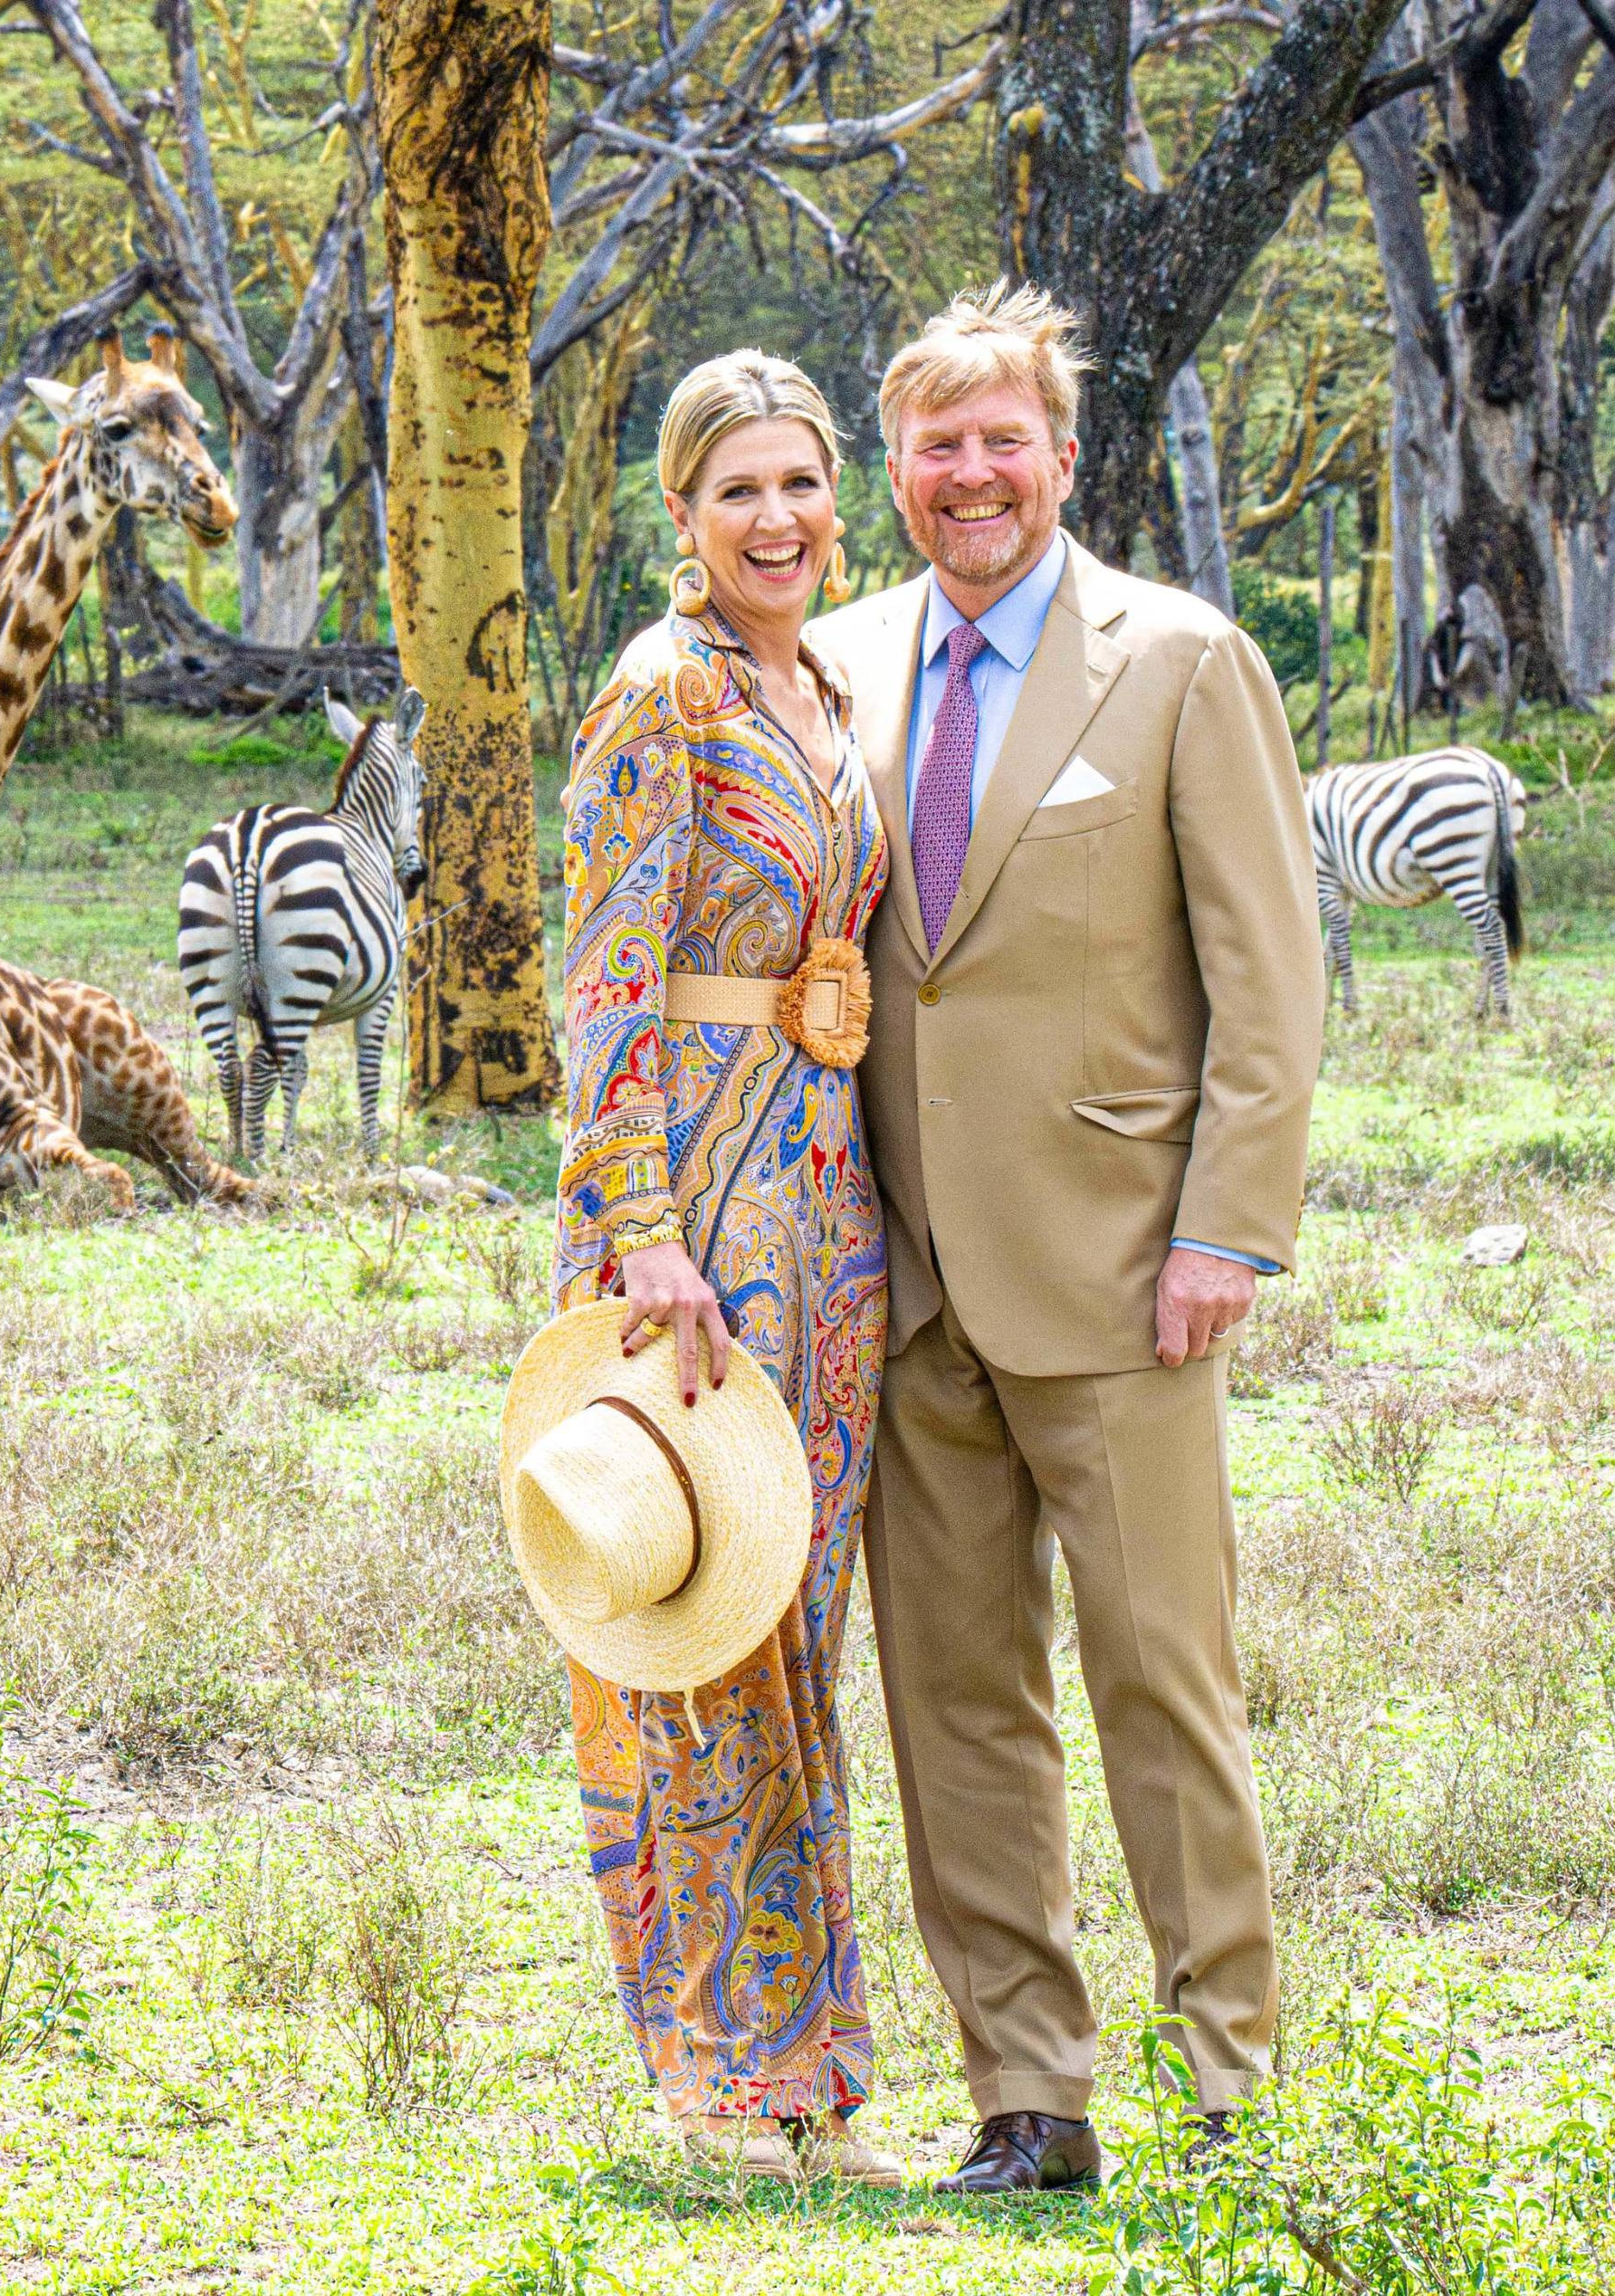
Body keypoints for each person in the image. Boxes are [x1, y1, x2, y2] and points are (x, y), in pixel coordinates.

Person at [808, 285, 1326, 2196]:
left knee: (1161, 1680)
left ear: (1065, 458)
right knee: (955, 1706)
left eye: (1002, 440)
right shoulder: (836, 662)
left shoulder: (1183, 662)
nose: (972, 476)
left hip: (1126, 1276)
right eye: (937, 446)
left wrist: (1226, 1233)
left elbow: (1273, 986)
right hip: (906, 1274)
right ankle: (1029, 2089)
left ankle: (1231, 2085)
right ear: (901, 469)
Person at [549, 349, 903, 2186]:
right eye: (738, 488)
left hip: (824, 1199)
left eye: (801, 483)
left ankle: (817, 2059)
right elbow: (604, 973)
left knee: (798, 1625)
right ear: (681, 517)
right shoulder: (658, 695)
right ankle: (718, 2065)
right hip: (690, 1203)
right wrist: (640, 1233)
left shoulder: (827, 683)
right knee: (699, 1636)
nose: (778, 517)